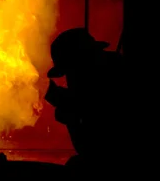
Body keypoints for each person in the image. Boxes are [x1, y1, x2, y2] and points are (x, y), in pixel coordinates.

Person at [44, 28, 126, 170]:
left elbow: (93, 150)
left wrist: (67, 109)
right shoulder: (107, 70)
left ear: (82, 63)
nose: (69, 80)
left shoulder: (112, 79)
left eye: (70, 71)